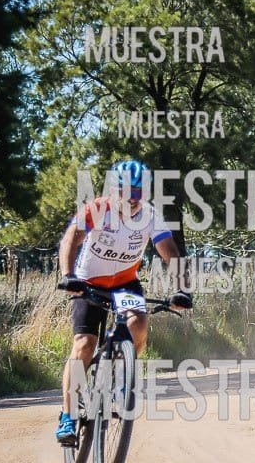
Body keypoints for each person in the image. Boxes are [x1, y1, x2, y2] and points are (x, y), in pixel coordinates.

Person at [54, 159, 191, 444]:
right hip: (88, 283)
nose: (132, 198)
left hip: (125, 285)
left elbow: (171, 253)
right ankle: (68, 415)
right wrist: (68, 276)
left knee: (138, 322)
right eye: (127, 191)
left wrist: (182, 290)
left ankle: (121, 376)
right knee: (84, 344)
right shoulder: (96, 209)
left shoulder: (150, 216)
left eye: (139, 192)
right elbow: (70, 240)